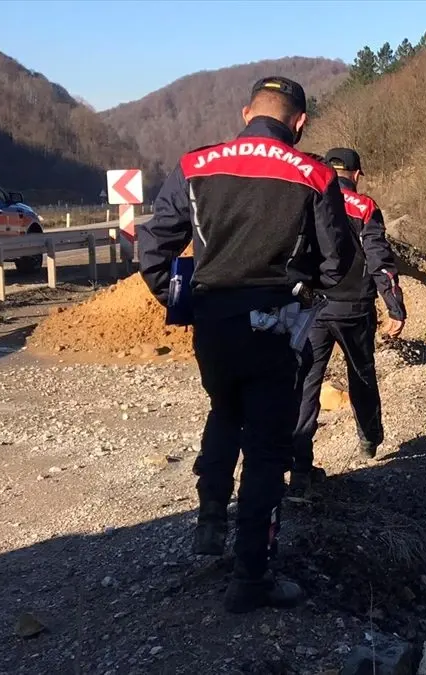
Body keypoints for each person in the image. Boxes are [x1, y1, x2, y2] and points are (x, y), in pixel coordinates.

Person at [138, 76, 355, 613]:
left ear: (245, 112)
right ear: (299, 122)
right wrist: (308, 289)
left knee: (224, 407)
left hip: (213, 324)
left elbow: (152, 245)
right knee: (266, 448)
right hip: (276, 324)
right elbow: (337, 261)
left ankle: (211, 518)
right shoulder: (314, 173)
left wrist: (182, 300)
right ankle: (251, 577)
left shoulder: (196, 164)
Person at [292, 147, 406, 495]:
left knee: (306, 384)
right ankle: (369, 441)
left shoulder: (308, 199)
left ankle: (299, 467)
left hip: (311, 307)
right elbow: (379, 258)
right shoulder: (365, 207)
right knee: (361, 374)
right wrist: (394, 306)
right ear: (356, 174)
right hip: (354, 308)